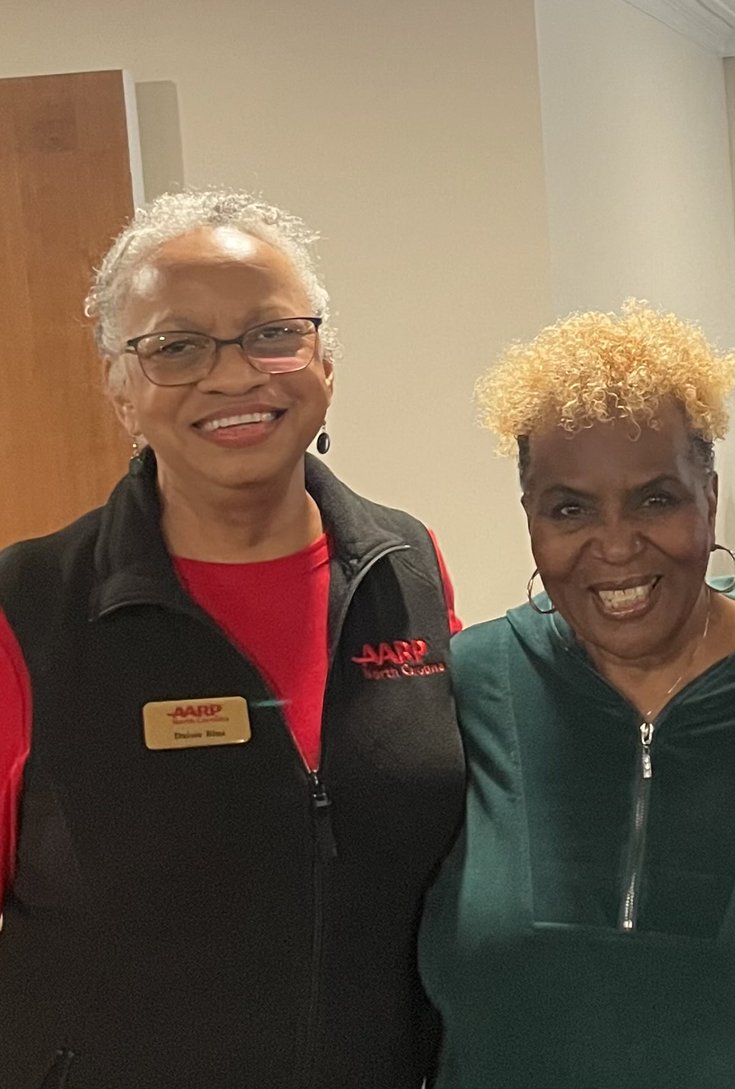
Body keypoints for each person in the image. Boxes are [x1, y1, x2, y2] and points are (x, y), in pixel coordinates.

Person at [0, 189, 465, 1089]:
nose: (235, 375)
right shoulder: (27, 606)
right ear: (120, 388)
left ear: (326, 358)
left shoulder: (408, 566)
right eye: (175, 346)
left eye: (272, 333)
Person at [419, 301, 735, 1089]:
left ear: (711, 496)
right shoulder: (465, 695)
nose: (618, 545)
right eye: (570, 508)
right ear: (529, 516)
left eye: (656, 498)